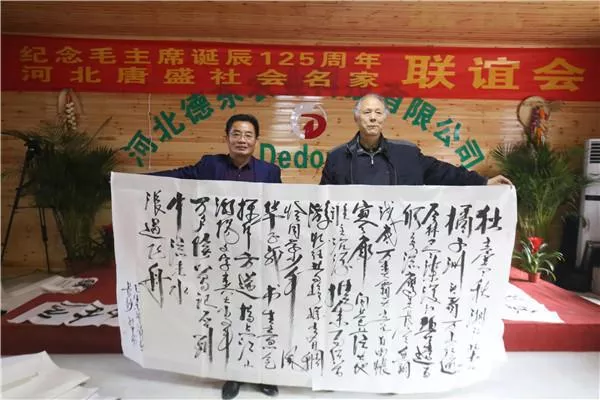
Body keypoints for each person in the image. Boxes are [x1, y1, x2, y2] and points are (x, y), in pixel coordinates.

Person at [151, 114, 280, 400]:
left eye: (248, 135)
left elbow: (277, 211)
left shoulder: (270, 171)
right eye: (236, 134)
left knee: (259, 315)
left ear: (256, 141)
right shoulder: (211, 165)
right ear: (227, 138)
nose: (242, 140)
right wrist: (132, 181)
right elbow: (179, 176)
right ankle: (233, 374)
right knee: (227, 315)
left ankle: (261, 374)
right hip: (220, 258)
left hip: (256, 257)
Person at [319, 93, 512, 186]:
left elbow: (443, 172)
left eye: (378, 112)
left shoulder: (406, 154)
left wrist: (483, 182)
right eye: (367, 112)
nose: (373, 118)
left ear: (384, 118)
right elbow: (322, 200)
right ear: (356, 117)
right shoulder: (337, 157)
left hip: (398, 237)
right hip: (354, 239)